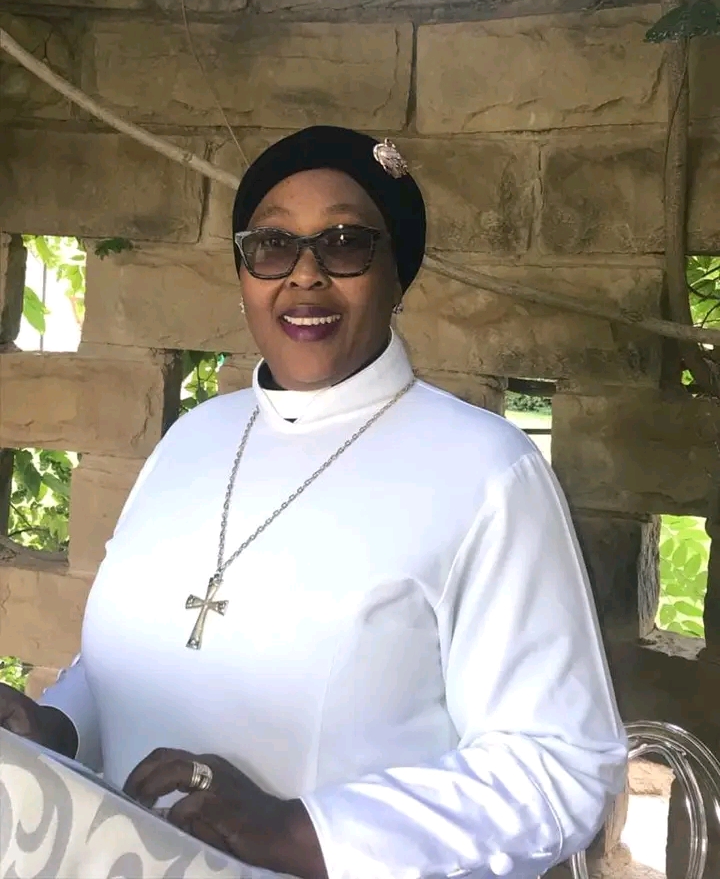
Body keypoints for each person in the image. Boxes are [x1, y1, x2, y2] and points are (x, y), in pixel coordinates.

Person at [0, 126, 627, 879]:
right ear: (244, 273)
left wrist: (306, 833)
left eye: (344, 244)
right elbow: (133, 659)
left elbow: (560, 765)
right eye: (272, 246)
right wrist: (59, 729)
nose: (304, 275)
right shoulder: (193, 438)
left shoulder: (487, 470)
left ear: (397, 274)